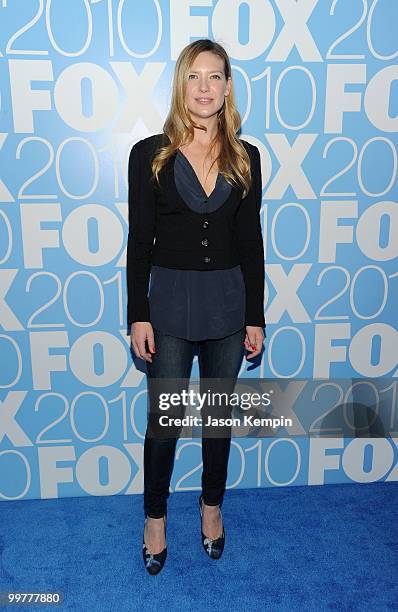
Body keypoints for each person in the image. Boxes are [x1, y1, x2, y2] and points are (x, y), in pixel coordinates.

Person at [127, 38, 266, 575]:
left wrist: (255, 315)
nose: (204, 87)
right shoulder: (149, 153)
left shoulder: (246, 155)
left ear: (228, 87)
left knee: (216, 420)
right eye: (194, 76)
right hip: (168, 308)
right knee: (164, 423)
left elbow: (250, 239)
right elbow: (141, 240)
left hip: (229, 307)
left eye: (214, 77)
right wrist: (138, 313)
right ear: (181, 85)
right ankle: (155, 519)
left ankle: (211, 511)